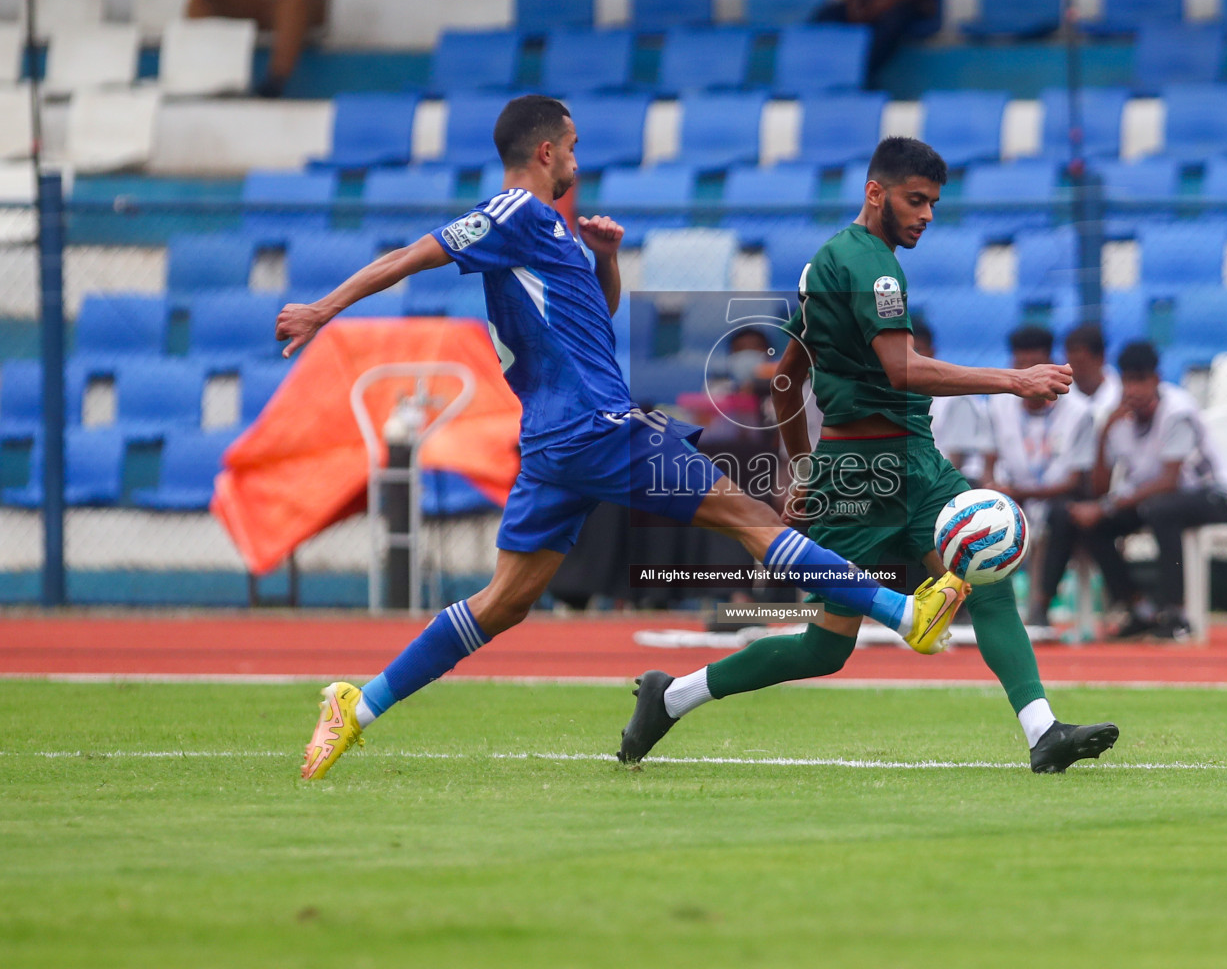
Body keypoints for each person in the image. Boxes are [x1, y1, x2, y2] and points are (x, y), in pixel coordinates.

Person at [282, 96, 973, 781]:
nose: (578, 161)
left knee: (505, 602)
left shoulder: (550, 233)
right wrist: (323, 309)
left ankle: (358, 703)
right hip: (596, 427)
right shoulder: (513, 212)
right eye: (573, 147)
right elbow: (414, 254)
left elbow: (590, 318)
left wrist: (605, 260)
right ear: (546, 151)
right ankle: (906, 612)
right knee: (753, 518)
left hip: (556, 444)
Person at [619, 137, 1119, 774]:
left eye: (934, 203)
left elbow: (783, 380)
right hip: (865, 474)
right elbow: (902, 369)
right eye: (916, 200)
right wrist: (1014, 379)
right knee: (825, 650)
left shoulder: (829, 263)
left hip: (911, 464)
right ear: (874, 193)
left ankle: (1043, 733)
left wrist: (802, 470)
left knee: (987, 578)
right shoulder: (873, 268)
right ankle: (673, 695)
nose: (927, 215)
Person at [1036, 340, 1227, 643]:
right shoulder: (1117, 417)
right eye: (1128, 380)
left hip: (1211, 494)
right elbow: (1100, 489)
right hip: (1153, 501)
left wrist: (1105, 506)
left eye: (1141, 380)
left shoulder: (1177, 409)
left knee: (1160, 508)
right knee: (1091, 522)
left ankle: (1176, 615)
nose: (1134, 389)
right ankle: (1139, 610)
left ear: (1156, 379)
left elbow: (1170, 481)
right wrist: (1105, 434)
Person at [981, 326, 1095, 634]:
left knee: (1061, 513)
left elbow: (1076, 480)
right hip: (1010, 496)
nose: (1027, 373)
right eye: (1020, 364)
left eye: (1034, 364)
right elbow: (988, 463)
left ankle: (1040, 606)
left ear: (1050, 365)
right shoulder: (997, 404)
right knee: (971, 506)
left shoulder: (1080, 410)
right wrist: (991, 489)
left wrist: (1021, 493)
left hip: (1054, 496)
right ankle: (974, 605)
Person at [186, 0, 323, 98]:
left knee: (294, 3)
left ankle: (276, 80)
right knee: (199, 3)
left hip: (280, 4)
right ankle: (204, 77)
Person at [815, 0, 941, 86]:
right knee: (823, 19)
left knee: (888, 26)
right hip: (864, 0)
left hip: (907, 3)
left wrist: (886, 1)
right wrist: (854, 1)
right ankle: (812, 82)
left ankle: (857, 81)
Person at [920, 323, 995, 487]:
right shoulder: (896, 397)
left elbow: (956, 461)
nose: (911, 361)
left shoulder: (957, 399)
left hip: (959, 481)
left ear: (931, 353)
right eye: (905, 354)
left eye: (918, 352)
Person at [1063, 322, 1121, 423]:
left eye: (1080, 363)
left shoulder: (1120, 395)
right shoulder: (1058, 397)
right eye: (1070, 362)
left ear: (1101, 358)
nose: (1073, 369)